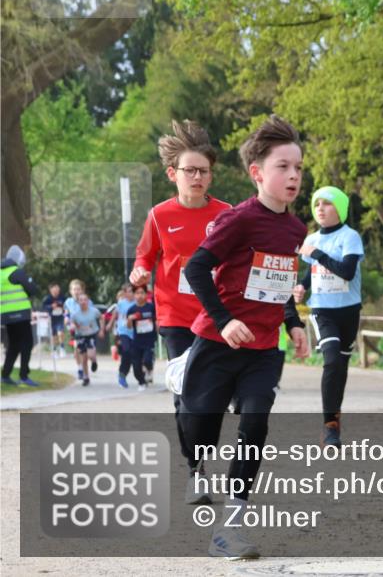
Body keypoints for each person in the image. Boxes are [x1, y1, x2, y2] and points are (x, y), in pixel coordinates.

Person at [180, 115, 309, 560]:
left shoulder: (296, 230)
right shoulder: (238, 220)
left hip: (261, 351)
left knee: (255, 423)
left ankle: (229, 526)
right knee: (201, 433)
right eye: (282, 167)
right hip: (217, 343)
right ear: (257, 173)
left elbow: (279, 284)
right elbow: (194, 269)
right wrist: (223, 319)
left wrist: (292, 323)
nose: (293, 176)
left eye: (298, 168)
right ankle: (184, 389)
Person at [130, 119, 231, 502]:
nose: (198, 177)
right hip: (175, 316)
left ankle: (201, 461)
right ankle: (197, 470)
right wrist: (140, 272)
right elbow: (144, 259)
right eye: (190, 171)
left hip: (217, 316)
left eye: (204, 171)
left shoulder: (226, 214)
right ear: (173, 174)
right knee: (186, 392)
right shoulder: (159, 216)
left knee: (211, 396)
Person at [292, 186, 364, 447]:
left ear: (340, 208)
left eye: (328, 203)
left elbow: (346, 271)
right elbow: (313, 273)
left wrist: (317, 255)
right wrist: (302, 286)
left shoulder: (350, 236)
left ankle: (334, 418)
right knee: (332, 360)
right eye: (317, 204)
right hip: (322, 310)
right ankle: (329, 426)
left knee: (340, 367)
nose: (320, 208)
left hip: (349, 310)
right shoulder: (312, 239)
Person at [1, 245, 40, 386]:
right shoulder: (16, 272)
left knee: (14, 345)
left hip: (6, 315)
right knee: (27, 344)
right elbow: (33, 289)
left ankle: (5, 375)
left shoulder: (1, 273)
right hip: (20, 314)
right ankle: (24, 376)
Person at [69, 293, 104, 386]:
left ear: (88, 301)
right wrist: (73, 326)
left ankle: (94, 361)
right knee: (84, 358)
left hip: (92, 334)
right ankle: (86, 377)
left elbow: (101, 318)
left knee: (90, 355)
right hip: (81, 336)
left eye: (85, 300)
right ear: (78, 302)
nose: (83, 302)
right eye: (81, 300)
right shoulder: (75, 314)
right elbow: (72, 323)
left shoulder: (94, 311)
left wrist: (101, 330)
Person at [126, 285, 156, 390]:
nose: (140, 295)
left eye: (142, 293)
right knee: (136, 365)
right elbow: (129, 327)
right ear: (134, 295)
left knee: (147, 361)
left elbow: (156, 321)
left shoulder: (151, 307)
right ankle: (142, 382)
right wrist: (130, 319)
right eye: (137, 293)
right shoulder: (131, 309)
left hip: (149, 340)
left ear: (146, 294)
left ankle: (149, 369)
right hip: (137, 341)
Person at [106, 284, 136, 389]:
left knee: (132, 355)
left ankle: (124, 374)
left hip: (135, 333)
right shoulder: (121, 303)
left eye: (133, 291)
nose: (131, 293)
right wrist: (110, 324)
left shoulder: (138, 303)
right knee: (126, 351)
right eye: (129, 291)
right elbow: (115, 314)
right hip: (123, 331)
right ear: (125, 293)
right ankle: (122, 375)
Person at [41, 282, 67, 357]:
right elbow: (43, 307)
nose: (56, 290)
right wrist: (51, 306)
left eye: (57, 288)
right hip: (51, 318)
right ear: (51, 290)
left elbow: (66, 306)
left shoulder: (62, 297)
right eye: (54, 289)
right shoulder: (47, 298)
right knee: (54, 335)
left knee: (60, 333)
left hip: (60, 317)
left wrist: (62, 308)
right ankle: (54, 350)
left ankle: (62, 348)